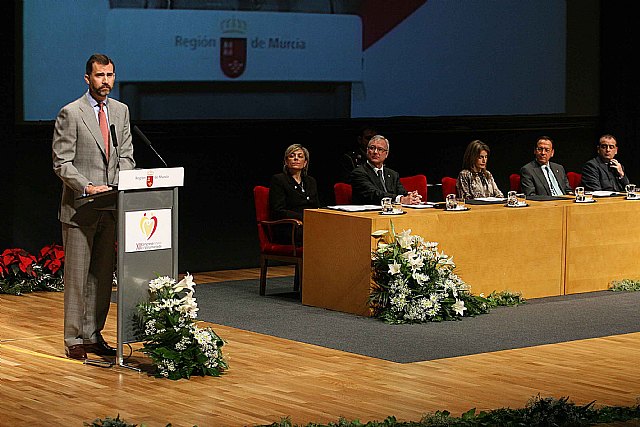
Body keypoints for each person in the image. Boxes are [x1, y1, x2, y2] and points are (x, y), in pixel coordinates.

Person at [52, 53, 136, 360]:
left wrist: (121, 181)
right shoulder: (70, 113)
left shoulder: (121, 111)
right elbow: (62, 163)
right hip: (80, 207)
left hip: (111, 205)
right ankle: (73, 337)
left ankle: (92, 334)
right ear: (88, 79)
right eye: (100, 76)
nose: (106, 82)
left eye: (110, 75)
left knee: (102, 277)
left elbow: (126, 153)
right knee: (77, 277)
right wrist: (87, 186)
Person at [269, 144, 321, 245]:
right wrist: (304, 218)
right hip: (289, 226)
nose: (296, 158)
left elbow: (316, 207)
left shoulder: (311, 181)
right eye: (292, 156)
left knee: (334, 230)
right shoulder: (279, 179)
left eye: (300, 156)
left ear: (305, 163)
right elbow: (278, 210)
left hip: (310, 223)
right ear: (286, 161)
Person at [350, 135, 422, 205]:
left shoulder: (393, 174)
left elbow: (402, 193)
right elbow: (374, 194)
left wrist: (411, 196)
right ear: (367, 151)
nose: (375, 152)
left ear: (386, 154)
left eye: (380, 149)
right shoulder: (359, 172)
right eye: (372, 148)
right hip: (367, 214)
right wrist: (400, 199)